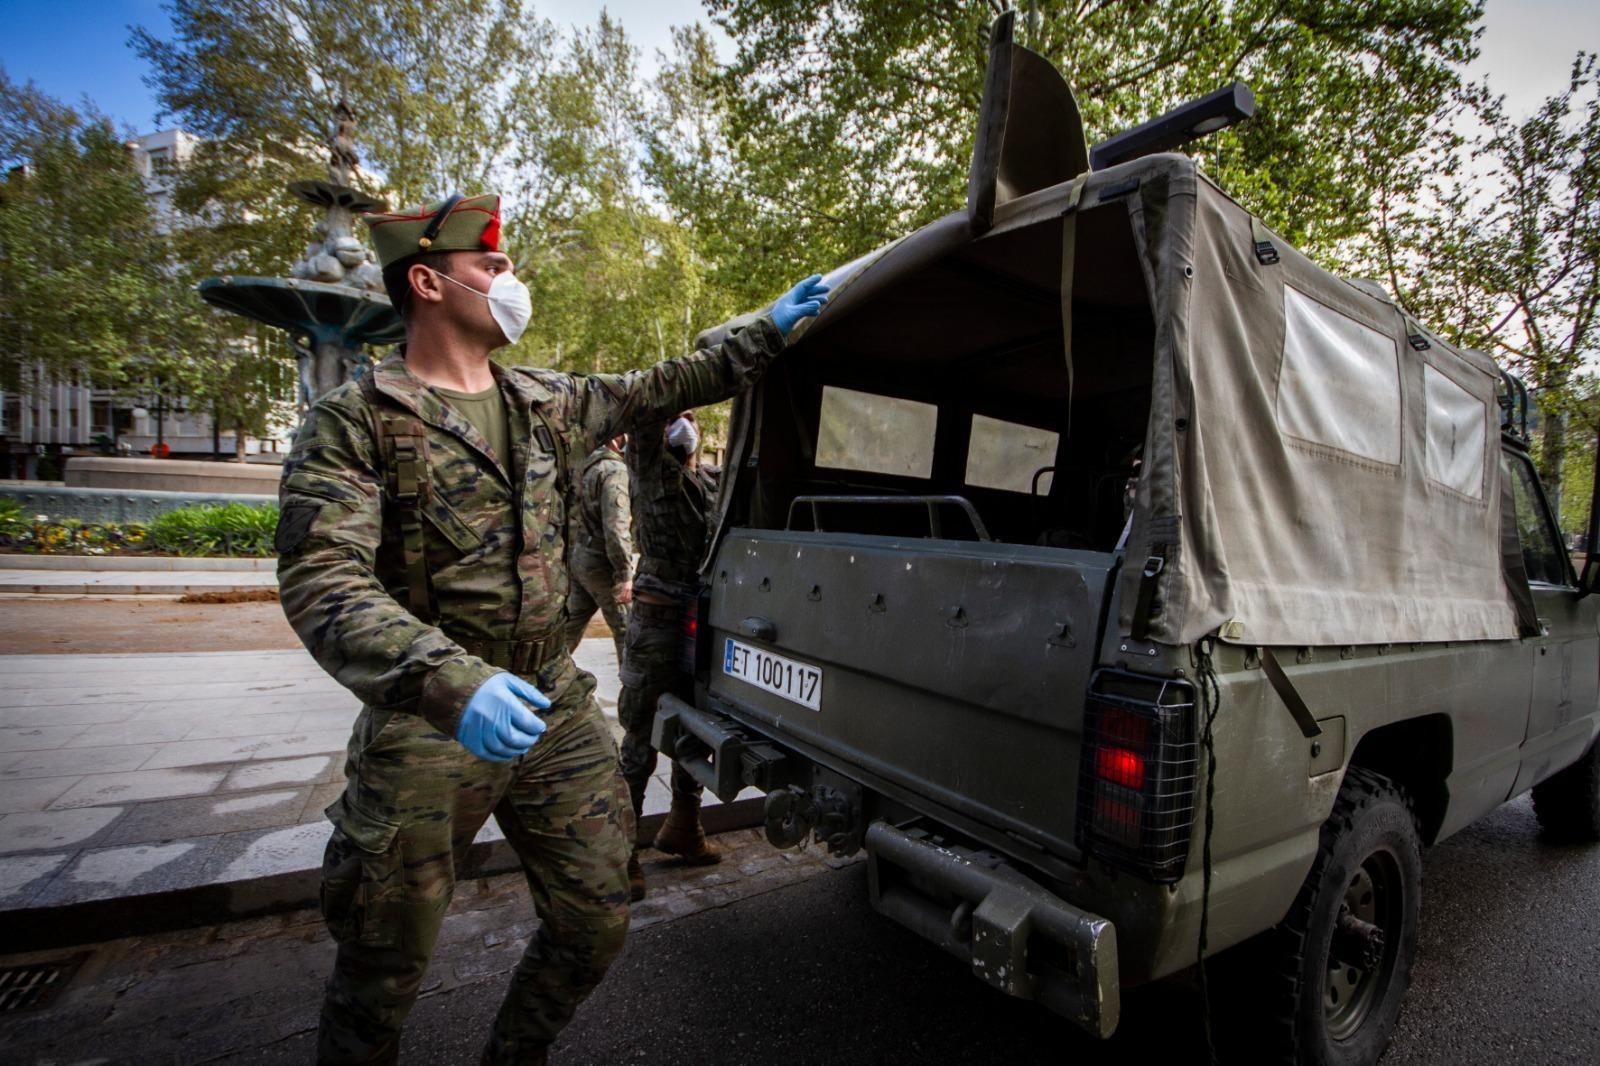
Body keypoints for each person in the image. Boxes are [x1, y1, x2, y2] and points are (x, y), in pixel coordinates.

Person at [274, 191, 828, 1065]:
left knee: (596, 921)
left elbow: (660, 388)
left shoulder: (546, 401)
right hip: (433, 717)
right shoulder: (355, 422)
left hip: (551, 701)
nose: (509, 279)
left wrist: (763, 332)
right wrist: (453, 684)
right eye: (490, 267)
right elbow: (322, 579)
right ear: (427, 281)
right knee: (383, 965)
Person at [617, 407, 722, 898]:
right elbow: (643, 419)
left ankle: (684, 829)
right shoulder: (649, 470)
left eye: (690, 417)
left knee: (695, 727)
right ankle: (621, 857)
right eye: (673, 417)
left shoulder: (706, 482)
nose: (683, 424)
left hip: (698, 623)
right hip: (656, 623)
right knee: (640, 737)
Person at [562, 435, 634, 664]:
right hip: (603, 565)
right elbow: (615, 527)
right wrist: (624, 573)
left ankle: (537, 685)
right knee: (627, 631)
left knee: (567, 629)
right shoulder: (613, 470)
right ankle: (632, 698)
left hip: (580, 556)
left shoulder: (582, 465)